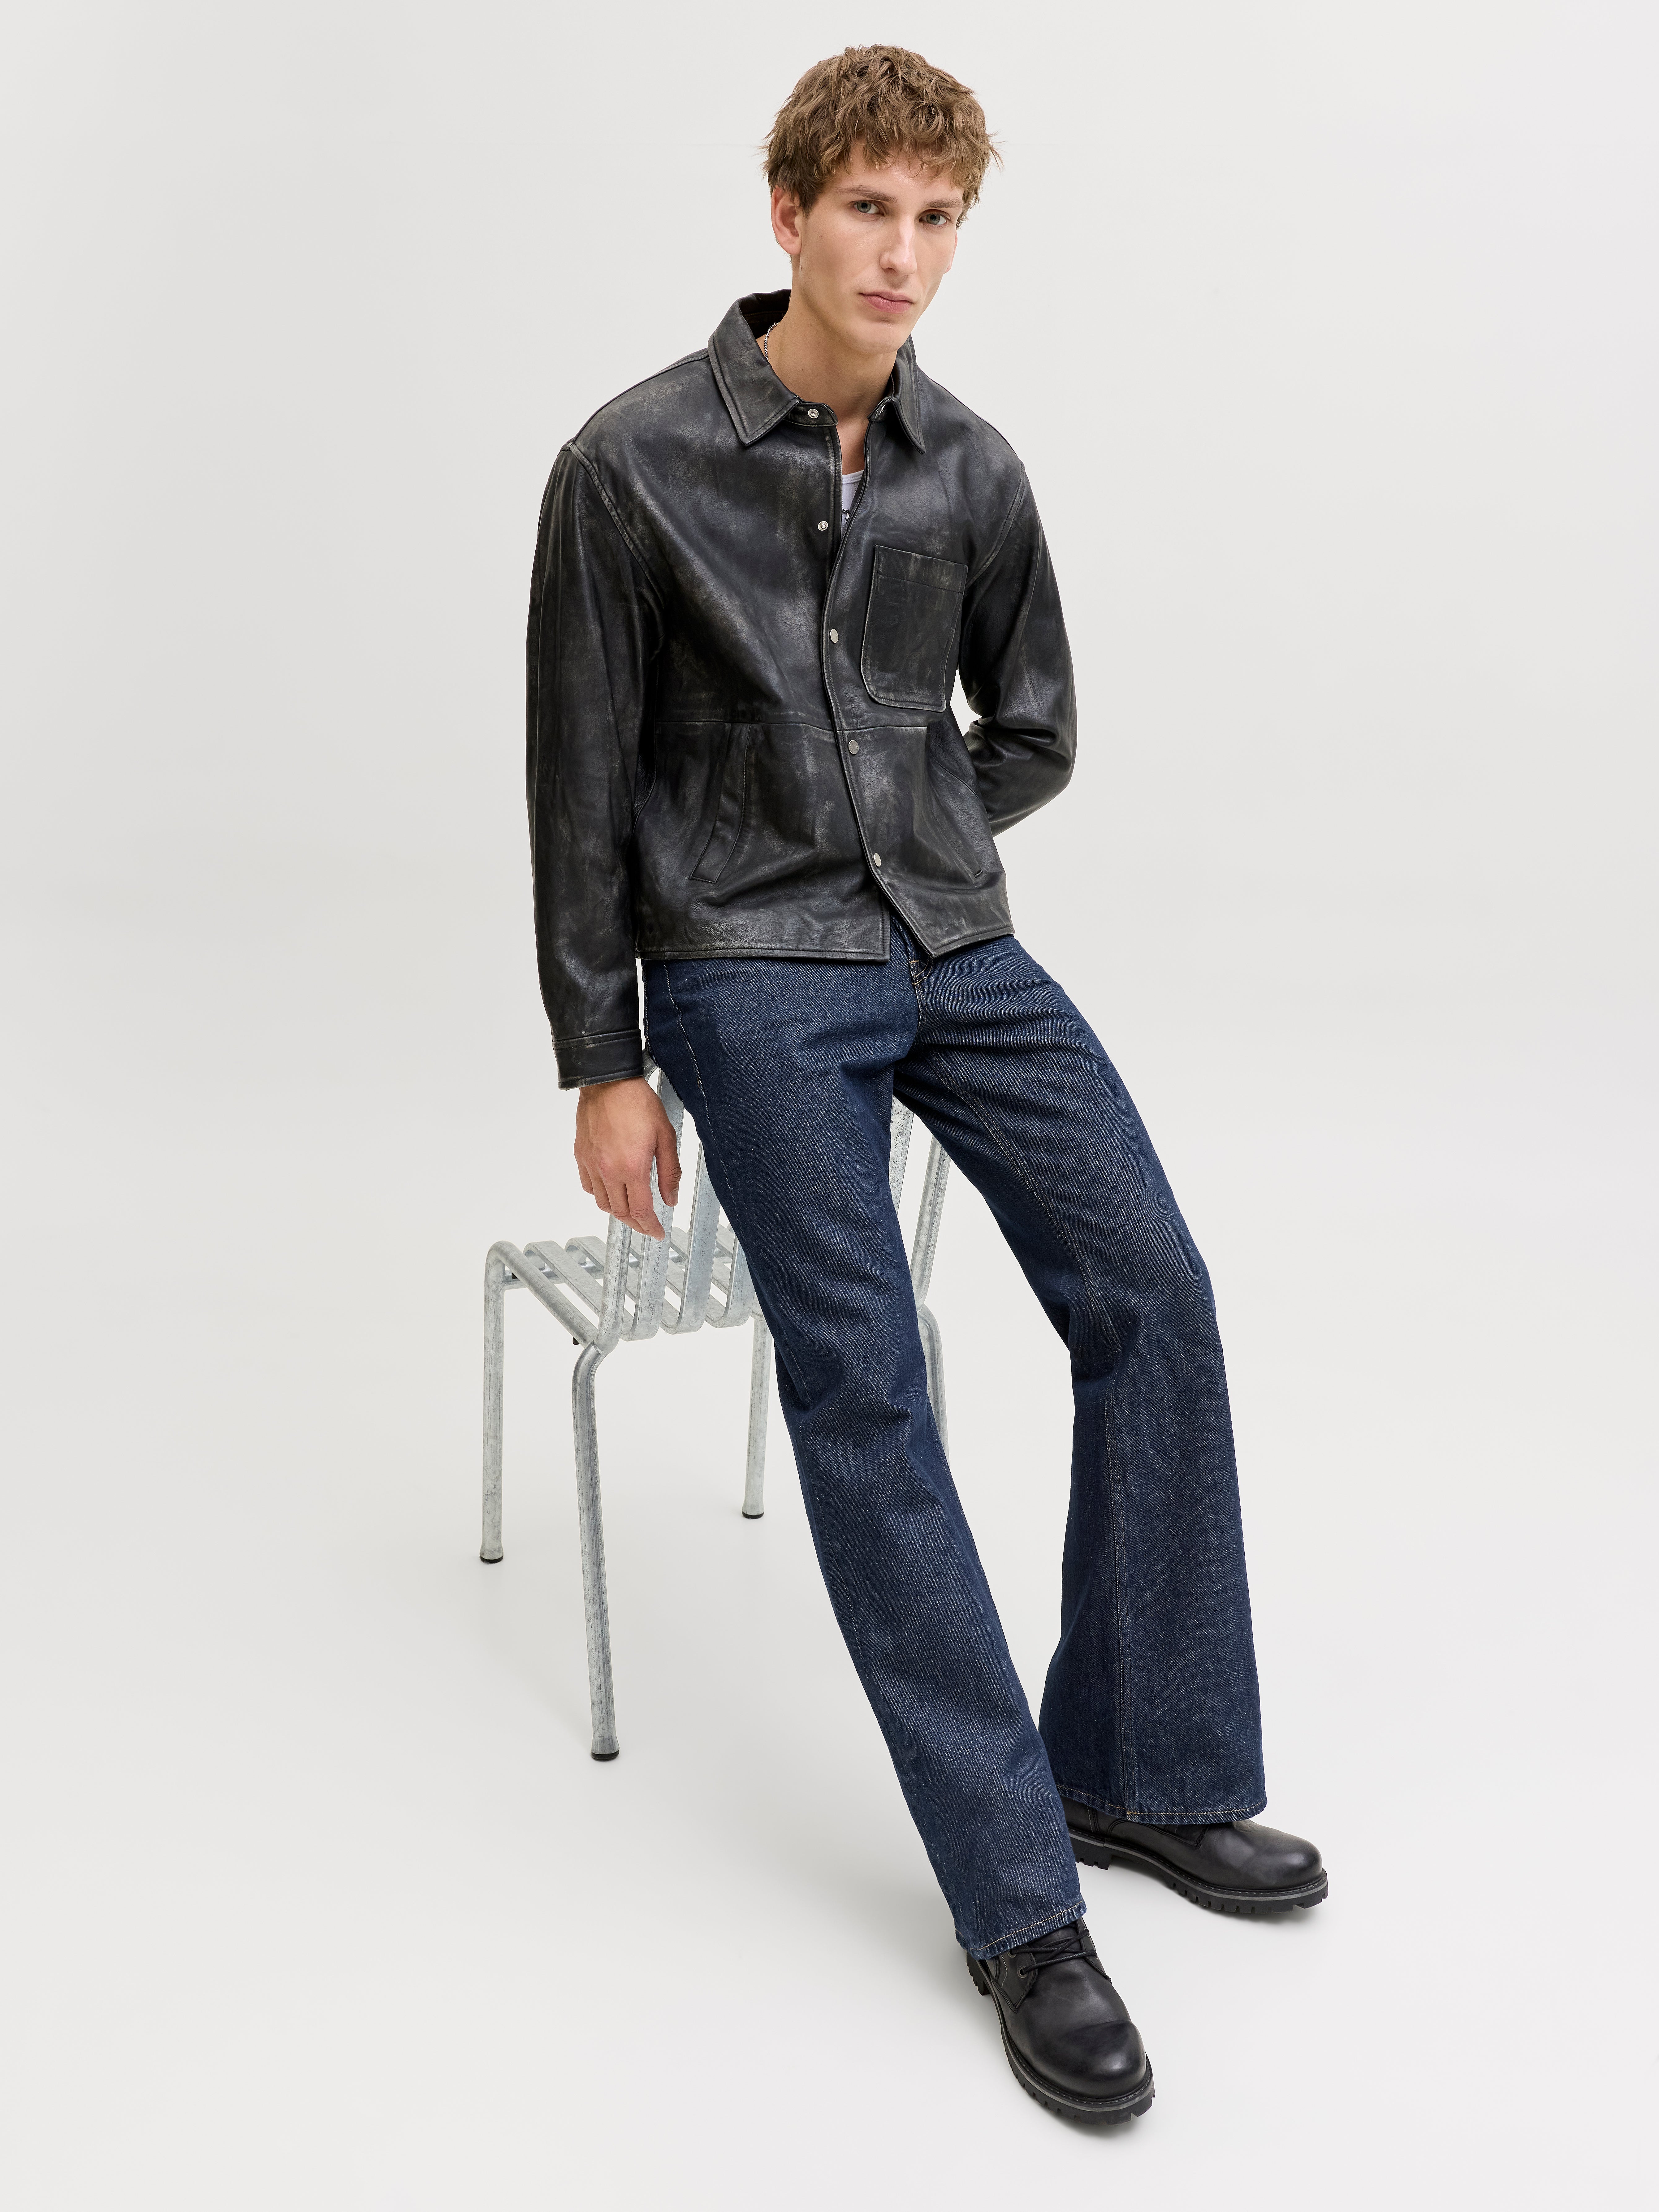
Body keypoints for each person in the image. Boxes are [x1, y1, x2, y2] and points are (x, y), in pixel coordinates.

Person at [525, 44, 1325, 2123]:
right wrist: (605, 1060)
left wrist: (905, 836)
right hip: (743, 978)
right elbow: (579, 787)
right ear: (787, 212)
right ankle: (1016, 1903)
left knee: (1153, 1291)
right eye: (868, 209)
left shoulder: (971, 468)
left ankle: (1142, 1769)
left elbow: (1030, 726)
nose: (901, 253)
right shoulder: (629, 466)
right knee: (865, 1387)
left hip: (957, 949)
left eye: (937, 217)